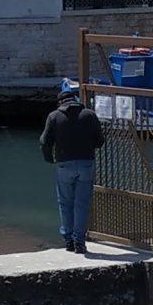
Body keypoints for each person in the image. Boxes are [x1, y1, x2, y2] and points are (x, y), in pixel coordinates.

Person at [39, 84, 104, 253]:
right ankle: (80, 242)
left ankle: (68, 240)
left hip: (64, 164)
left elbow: (44, 141)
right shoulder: (89, 115)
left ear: (60, 102)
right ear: (75, 100)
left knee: (65, 203)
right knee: (82, 204)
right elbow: (100, 141)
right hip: (86, 164)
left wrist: (49, 159)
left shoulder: (54, 116)